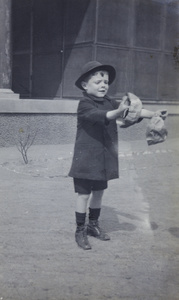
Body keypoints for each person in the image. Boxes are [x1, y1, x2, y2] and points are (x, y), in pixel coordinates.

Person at [68, 61, 166, 250]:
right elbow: (105, 115)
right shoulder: (84, 104)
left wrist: (154, 113)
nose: (103, 85)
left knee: (98, 193)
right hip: (86, 160)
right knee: (83, 194)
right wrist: (120, 111)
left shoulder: (109, 101)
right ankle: (80, 229)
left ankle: (93, 225)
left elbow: (134, 111)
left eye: (106, 82)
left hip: (103, 158)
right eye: (98, 82)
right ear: (84, 85)